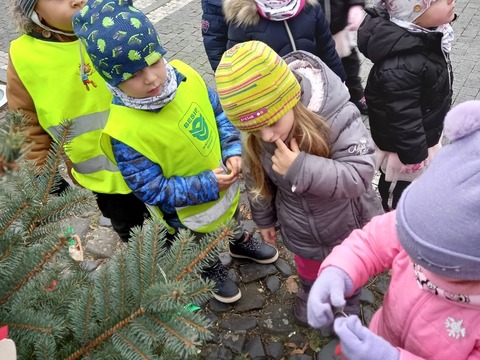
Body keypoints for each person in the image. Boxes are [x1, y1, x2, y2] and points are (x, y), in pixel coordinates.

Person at [73, 1, 279, 304]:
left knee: (231, 217)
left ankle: (237, 241)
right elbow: (150, 189)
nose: (152, 78)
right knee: (197, 244)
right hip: (186, 214)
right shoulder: (123, 131)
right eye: (133, 74)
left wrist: (232, 148)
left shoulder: (185, 74)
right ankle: (208, 267)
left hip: (225, 191)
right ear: (112, 81)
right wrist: (206, 185)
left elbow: (218, 114)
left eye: (154, 61)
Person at [215, 41, 383, 325]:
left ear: (289, 99)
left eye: (272, 122)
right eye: (255, 129)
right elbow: (258, 180)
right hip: (301, 230)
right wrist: (264, 220)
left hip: (346, 226)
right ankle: (310, 295)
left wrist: (299, 168)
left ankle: (344, 310)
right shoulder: (260, 135)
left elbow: (359, 174)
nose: (266, 136)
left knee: (347, 276)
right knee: (308, 271)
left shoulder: (336, 117)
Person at [307, 100, 480, 360]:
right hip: (382, 333)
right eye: (414, 248)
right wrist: (337, 271)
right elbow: (371, 242)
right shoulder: (421, 225)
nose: (417, 260)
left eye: (439, 264)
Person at [7, 0, 147, 242]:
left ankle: (199, 259)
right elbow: (26, 120)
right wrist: (43, 172)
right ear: (33, 10)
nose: (77, 1)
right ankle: (144, 258)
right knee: (127, 223)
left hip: (152, 152)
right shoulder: (24, 56)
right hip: (101, 173)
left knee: (175, 212)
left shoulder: (113, 26)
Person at [357, 0, 455, 211]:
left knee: (420, 187)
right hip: (403, 155)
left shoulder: (430, 36)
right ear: (414, 13)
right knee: (398, 193)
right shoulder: (401, 65)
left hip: (423, 136)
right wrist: (414, 158)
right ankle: (393, 223)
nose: (451, 1)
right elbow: (404, 117)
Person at [201, 0, 346, 81]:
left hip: (315, 91)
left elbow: (326, 48)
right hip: (275, 104)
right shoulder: (243, 21)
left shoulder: (311, 7)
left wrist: (339, 80)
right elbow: (238, 70)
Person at [317, 0, 368, 114]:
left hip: (338, 27)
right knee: (319, 72)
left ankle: (356, 96)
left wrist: (355, 4)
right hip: (311, 31)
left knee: (349, 64)